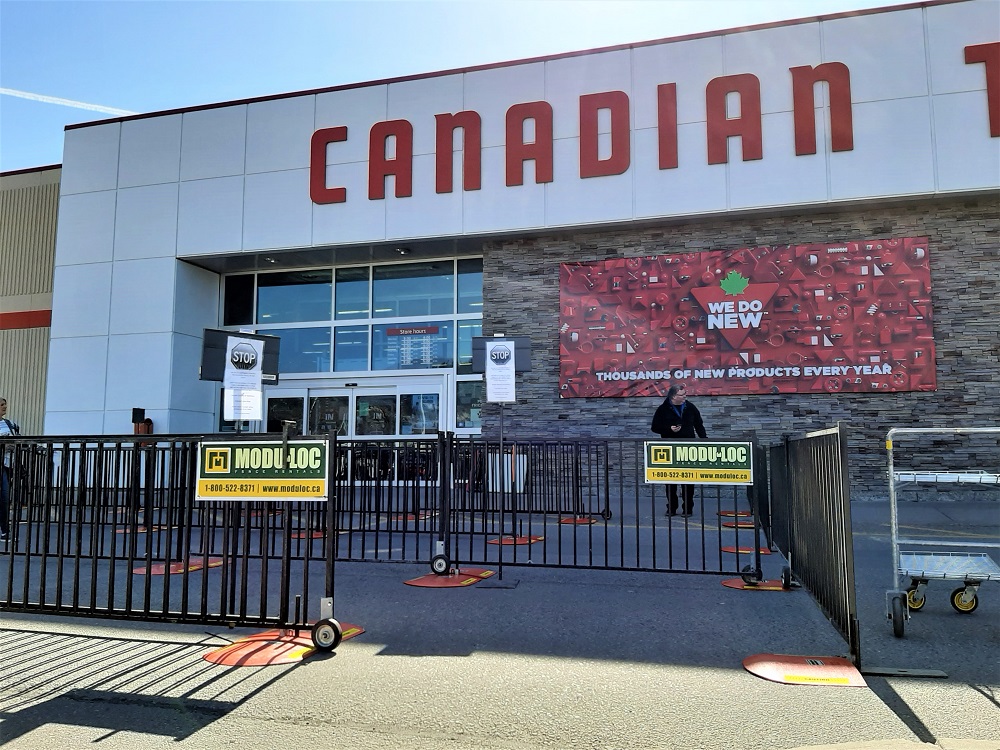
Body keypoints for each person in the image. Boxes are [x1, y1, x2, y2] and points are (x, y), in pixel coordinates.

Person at [651, 383, 707, 516]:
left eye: (685, 394)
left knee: (688, 480)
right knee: (670, 481)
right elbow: (655, 427)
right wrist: (668, 429)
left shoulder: (690, 407)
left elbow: (699, 424)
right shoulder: (663, 409)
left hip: (688, 448)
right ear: (673, 396)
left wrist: (704, 439)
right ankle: (671, 508)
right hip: (669, 449)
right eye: (682, 395)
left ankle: (688, 508)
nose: (685, 397)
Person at [0, 397, 20, 542]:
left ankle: (5, 531)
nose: (5, 407)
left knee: (5, 498)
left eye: (5, 404)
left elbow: (18, 439)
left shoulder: (9, 423)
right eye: (1, 405)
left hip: (6, 464)